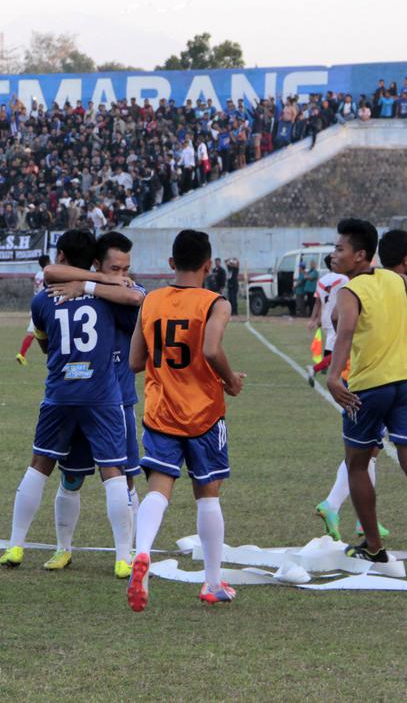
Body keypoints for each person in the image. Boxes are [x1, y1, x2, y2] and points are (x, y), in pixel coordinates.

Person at [325, 220, 407, 596]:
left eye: (340, 249)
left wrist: (335, 376)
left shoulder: (351, 290)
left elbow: (345, 330)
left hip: (369, 388)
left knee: (356, 463)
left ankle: (373, 545)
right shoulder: (397, 281)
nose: (335, 254)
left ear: (361, 255)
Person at [0, 230, 138, 574]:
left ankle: (16, 544)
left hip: (60, 393)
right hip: (102, 397)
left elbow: (45, 344)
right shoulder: (111, 295)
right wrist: (102, 284)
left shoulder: (43, 300)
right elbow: (136, 302)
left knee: (39, 466)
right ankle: (123, 556)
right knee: (113, 472)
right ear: (94, 261)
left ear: (60, 255)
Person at [126, 229, 244, 610]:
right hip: (204, 413)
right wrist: (230, 380)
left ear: (171, 264)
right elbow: (211, 349)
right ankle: (212, 582)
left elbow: (134, 362)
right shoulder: (216, 303)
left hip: (161, 411)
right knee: (207, 495)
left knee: (158, 489)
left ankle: (141, 552)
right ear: (209, 265)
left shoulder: (151, 301)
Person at [38, 232, 145, 576]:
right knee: (70, 478)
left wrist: (87, 286)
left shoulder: (121, 292)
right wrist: (90, 282)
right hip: (83, 399)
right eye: (116, 266)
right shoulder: (81, 288)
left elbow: (136, 296)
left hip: (119, 401)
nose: (123, 273)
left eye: (127, 267)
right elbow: (52, 272)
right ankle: (62, 548)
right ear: (98, 263)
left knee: (125, 477)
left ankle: (133, 552)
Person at [308, 254, 346, 386]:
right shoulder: (343, 278)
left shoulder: (321, 281)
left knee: (335, 348)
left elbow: (317, 302)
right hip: (338, 317)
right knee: (339, 350)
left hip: (325, 317)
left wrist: (314, 319)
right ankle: (317, 369)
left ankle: (323, 369)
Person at [15, 255, 48, 365]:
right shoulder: (48, 274)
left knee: (31, 332)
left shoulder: (37, 275)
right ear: (48, 262)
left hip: (36, 304)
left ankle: (22, 354)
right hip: (45, 305)